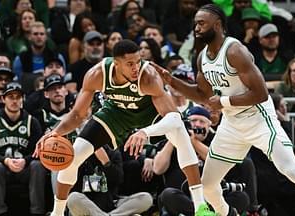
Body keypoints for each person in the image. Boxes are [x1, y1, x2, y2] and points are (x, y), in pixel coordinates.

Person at [151, 4, 295, 216]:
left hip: (259, 120)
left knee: (292, 171)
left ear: (217, 25)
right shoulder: (202, 57)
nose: (196, 28)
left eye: (201, 23)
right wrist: (171, 81)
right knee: (207, 185)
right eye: (195, 24)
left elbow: (261, 93)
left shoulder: (235, 51)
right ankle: (227, 214)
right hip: (232, 126)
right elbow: (202, 95)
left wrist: (224, 102)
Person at [33, 39, 214, 216]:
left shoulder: (148, 76)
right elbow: (77, 115)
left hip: (149, 112)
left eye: (138, 61)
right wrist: (54, 132)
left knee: (180, 133)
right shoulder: (96, 75)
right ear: (116, 64)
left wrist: (145, 132)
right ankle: (57, 212)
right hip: (117, 113)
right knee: (74, 155)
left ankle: (200, 206)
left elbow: (174, 118)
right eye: (130, 64)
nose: (136, 67)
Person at [155, 106, 261, 216]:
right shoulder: (173, 141)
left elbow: (218, 159)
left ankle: (207, 212)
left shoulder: (215, 140)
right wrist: (177, 138)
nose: (197, 125)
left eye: (202, 122)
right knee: (167, 195)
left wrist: (194, 142)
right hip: (185, 197)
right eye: (193, 121)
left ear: (209, 125)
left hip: (213, 198)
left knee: (241, 197)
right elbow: (158, 168)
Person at [0, 82, 45, 216]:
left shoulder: (31, 121)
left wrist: (25, 160)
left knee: (37, 165)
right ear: (2, 99)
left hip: (25, 169)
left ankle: (37, 212)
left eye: (18, 97)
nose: (15, 100)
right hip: (3, 169)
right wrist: (5, 161)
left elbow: (38, 150)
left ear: (23, 99)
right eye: (10, 97)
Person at [67, 145, 153, 216]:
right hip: (86, 205)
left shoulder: (113, 152)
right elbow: (72, 187)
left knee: (146, 198)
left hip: (111, 203)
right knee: (73, 198)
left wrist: (106, 162)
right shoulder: (77, 153)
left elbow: (118, 179)